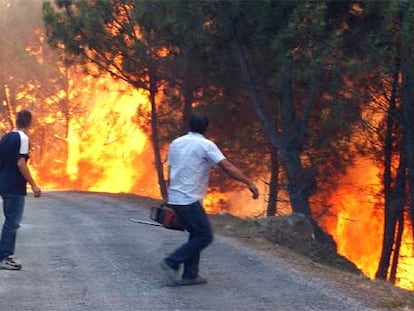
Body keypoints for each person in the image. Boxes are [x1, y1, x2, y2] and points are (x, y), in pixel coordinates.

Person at [161, 112, 259, 286]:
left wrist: (170, 196)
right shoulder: (206, 145)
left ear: (189, 125)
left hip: (177, 197)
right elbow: (226, 166)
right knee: (205, 236)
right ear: (206, 127)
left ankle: (190, 275)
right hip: (189, 199)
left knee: (196, 233)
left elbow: (172, 170)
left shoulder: (176, 143)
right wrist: (248, 182)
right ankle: (172, 261)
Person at [0, 109, 41, 270]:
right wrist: (33, 184)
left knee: (9, 220)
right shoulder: (23, 138)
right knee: (12, 222)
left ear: (17, 121)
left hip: (4, 184)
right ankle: (5, 257)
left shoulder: (6, 137)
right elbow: (20, 163)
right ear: (30, 123)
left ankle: (4, 254)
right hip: (14, 186)